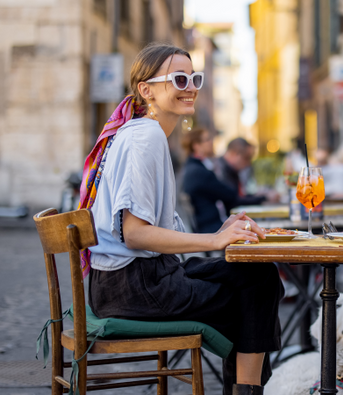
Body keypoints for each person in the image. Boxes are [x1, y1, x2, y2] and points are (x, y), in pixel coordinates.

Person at [79, 43, 282, 395]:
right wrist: (214, 240)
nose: (190, 87)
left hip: (138, 278)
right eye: (179, 79)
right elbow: (135, 234)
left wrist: (221, 231)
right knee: (255, 291)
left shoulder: (143, 132)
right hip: (134, 287)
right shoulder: (145, 137)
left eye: (194, 78)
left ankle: (245, 389)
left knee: (257, 274)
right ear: (146, 90)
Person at [181, 127, 244, 233]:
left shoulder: (193, 167)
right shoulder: (198, 172)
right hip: (211, 228)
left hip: (209, 225)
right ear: (196, 145)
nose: (211, 142)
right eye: (207, 140)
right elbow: (229, 194)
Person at [214, 138, 267, 210]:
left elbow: (239, 197)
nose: (249, 163)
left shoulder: (231, 169)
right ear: (234, 153)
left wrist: (258, 196)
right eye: (247, 158)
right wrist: (263, 198)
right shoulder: (219, 171)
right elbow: (233, 201)